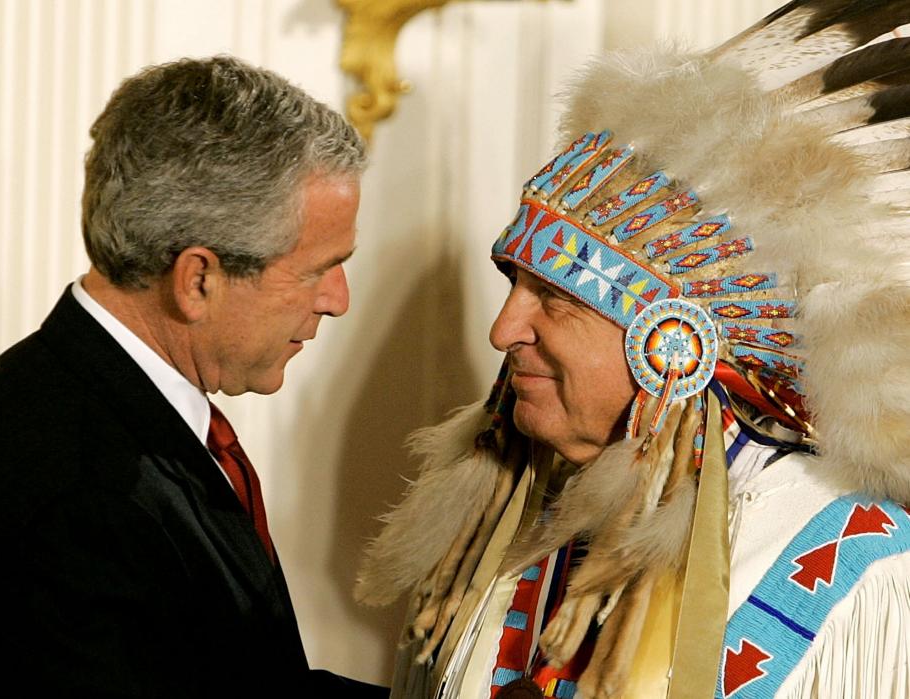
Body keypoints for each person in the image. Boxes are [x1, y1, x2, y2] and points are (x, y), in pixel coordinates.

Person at [356, 1, 910, 697]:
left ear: (674, 342)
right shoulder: (511, 527)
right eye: (513, 283)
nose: (503, 331)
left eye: (554, 298)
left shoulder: (855, 565)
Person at [0, 55, 387, 696]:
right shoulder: (85, 497)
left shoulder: (61, 388)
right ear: (197, 279)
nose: (337, 299)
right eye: (317, 269)